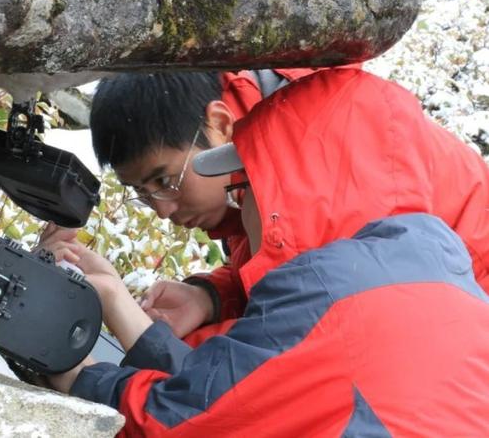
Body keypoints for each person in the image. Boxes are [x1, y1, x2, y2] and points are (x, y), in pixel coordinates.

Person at [42, 183, 489, 435]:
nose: (237, 223)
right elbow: (240, 396)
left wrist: (77, 375)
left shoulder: (318, 287)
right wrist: (117, 299)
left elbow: (185, 423)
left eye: (241, 193)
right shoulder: (427, 267)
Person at [87, 67, 489, 347]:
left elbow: (301, 341)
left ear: (220, 124)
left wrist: (142, 343)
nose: (162, 209)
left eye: (164, 181)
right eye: (142, 191)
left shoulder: (318, 157)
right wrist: (210, 297)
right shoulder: (263, 151)